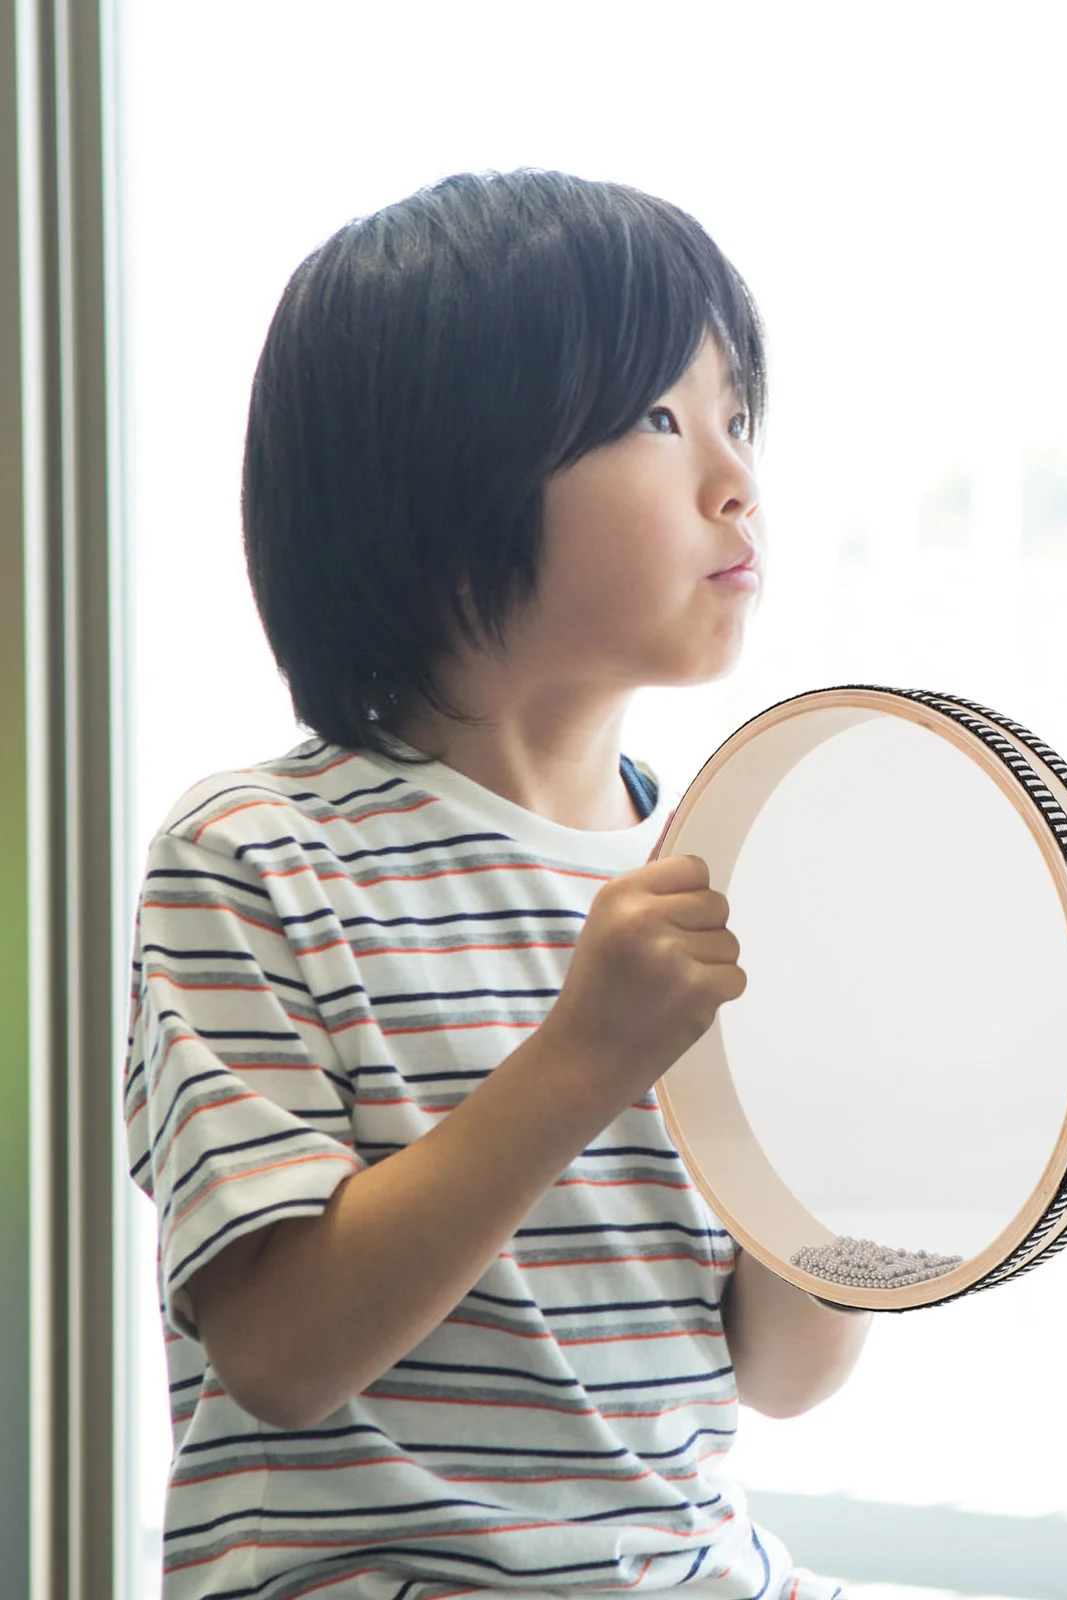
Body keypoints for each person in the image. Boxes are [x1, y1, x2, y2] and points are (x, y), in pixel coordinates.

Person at [122, 167, 873, 1600]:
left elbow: (786, 1370)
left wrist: (855, 1121)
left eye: (737, 417)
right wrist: (589, 1050)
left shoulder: (719, 870)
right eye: (661, 418)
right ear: (443, 476)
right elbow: (283, 1354)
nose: (737, 479)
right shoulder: (255, 858)